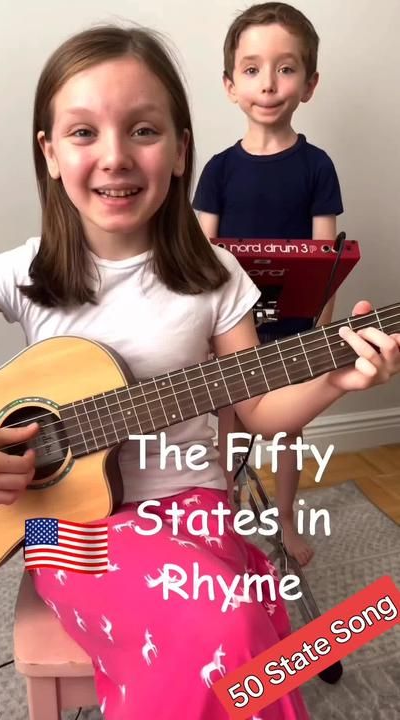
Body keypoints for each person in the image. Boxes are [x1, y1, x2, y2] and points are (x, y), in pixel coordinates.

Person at [0, 24, 399, 720]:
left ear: (181, 149)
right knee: (221, 633)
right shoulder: (24, 273)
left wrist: (335, 379)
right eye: (84, 132)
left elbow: (257, 407)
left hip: (195, 508)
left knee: (235, 626)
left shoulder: (214, 277)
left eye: (143, 130)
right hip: (57, 531)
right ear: (51, 153)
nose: (115, 156)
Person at [193, 2, 343, 566]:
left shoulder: (318, 166)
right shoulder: (219, 169)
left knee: (286, 430)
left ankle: (283, 519)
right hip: (233, 329)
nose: (269, 83)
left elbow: (327, 258)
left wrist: (320, 333)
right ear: (231, 85)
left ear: (309, 83)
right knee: (227, 427)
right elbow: (199, 256)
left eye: (286, 68)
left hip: (295, 327)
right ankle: (226, 516)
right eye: (252, 69)